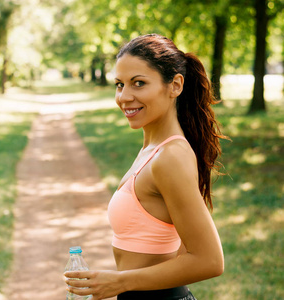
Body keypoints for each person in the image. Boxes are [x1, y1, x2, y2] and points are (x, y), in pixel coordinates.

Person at [64, 34, 226, 300]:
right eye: (119, 84)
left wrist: (120, 282)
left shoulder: (170, 157)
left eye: (138, 83)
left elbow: (209, 260)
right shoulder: (153, 150)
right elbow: (178, 248)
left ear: (175, 85)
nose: (124, 97)